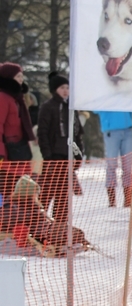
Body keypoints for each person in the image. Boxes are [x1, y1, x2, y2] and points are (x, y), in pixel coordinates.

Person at [36, 73, 84, 225]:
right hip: (53, 157)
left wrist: (78, 155)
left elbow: (77, 134)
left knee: (63, 196)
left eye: (67, 87)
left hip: (68, 156)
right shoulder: (48, 107)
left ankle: (60, 227)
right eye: (62, 87)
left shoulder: (71, 108)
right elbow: (42, 133)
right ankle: (38, 223)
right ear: (54, 89)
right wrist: (47, 156)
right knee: (47, 192)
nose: (65, 91)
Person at [0, 63, 36, 207]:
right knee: (8, 191)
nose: (21, 79)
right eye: (18, 76)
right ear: (9, 78)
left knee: (20, 191)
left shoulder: (17, 99)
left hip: (19, 152)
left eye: (22, 76)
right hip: (8, 155)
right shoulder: (3, 97)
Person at [95, 110, 132, 207]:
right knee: (111, 165)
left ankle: (128, 200)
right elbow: (96, 108)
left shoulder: (126, 94)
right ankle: (112, 201)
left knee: (128, 166)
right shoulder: (104, 95)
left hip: (128, 130)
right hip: (111, 131)